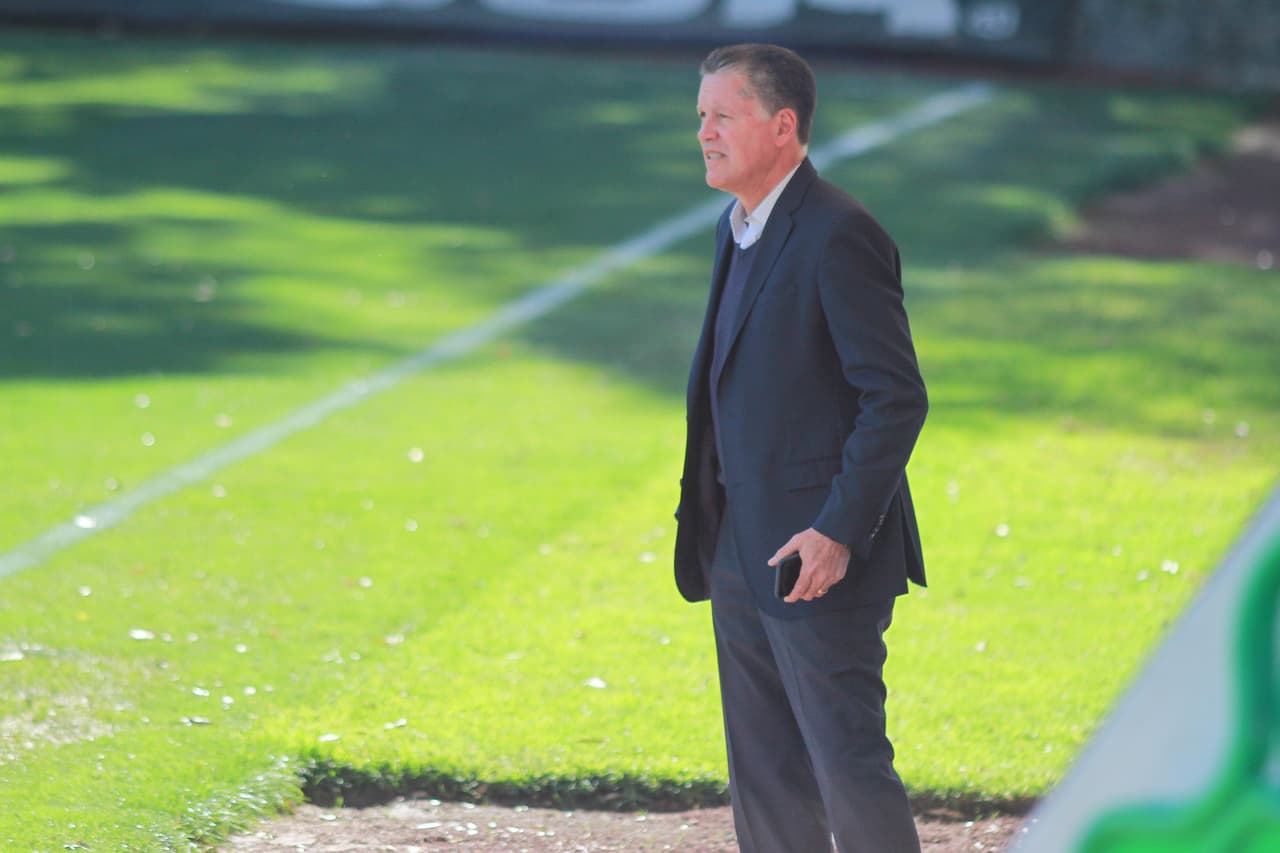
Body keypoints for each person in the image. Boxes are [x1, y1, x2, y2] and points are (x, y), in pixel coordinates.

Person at [672, 43, 929, 853]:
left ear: (783, 127)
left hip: (818, 554)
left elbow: (896, 397)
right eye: (701, 117)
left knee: (846, 767)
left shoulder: (838, 234)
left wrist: (838, 530)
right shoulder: (738, 225)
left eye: (723, 116)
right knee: (765, 775)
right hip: (740, 551)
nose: (705, 133)